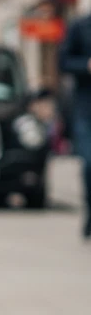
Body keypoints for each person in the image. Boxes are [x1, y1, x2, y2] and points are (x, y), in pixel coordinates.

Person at [58, 15, 91, 237]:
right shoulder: (81, 26)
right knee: (89, 163)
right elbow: (63, 61)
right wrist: (86, 65)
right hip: (86, 109)